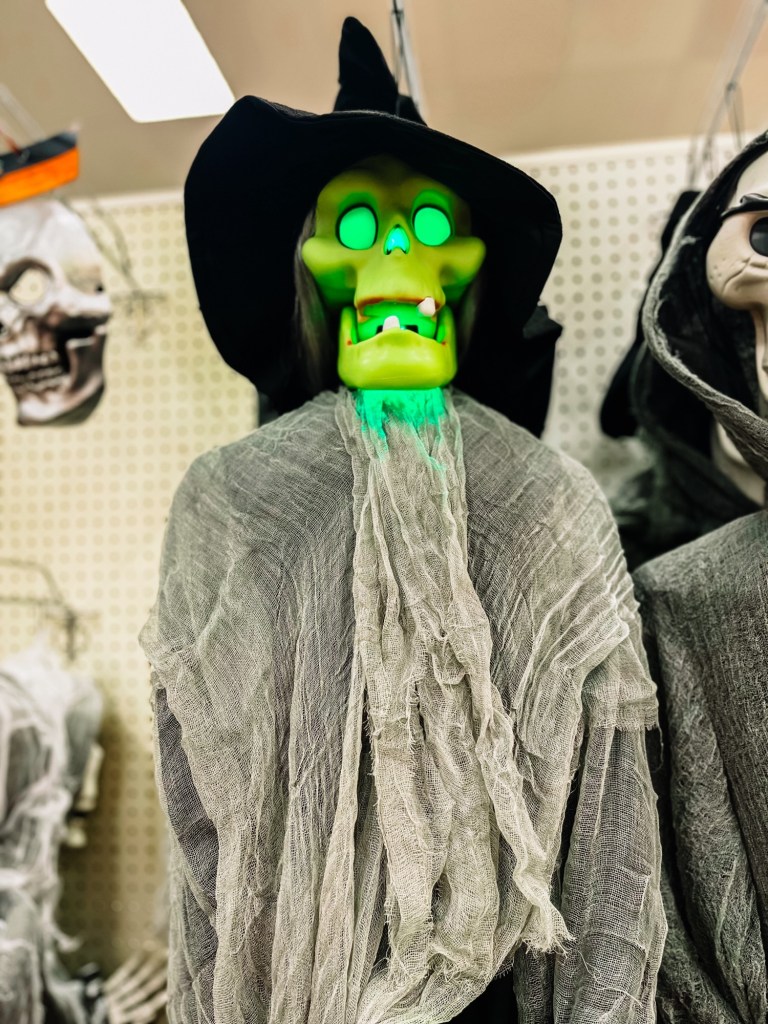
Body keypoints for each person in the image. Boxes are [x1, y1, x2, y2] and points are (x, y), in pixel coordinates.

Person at [141, 18, 664, 1024]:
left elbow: (606, 824)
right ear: (310, 266)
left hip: (498, 995)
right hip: (293, 986)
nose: (394, 259)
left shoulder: (547, 502)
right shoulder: (232, 503)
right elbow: (202, 808)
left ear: (468, 266)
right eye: (356, 230)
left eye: (427, 228)